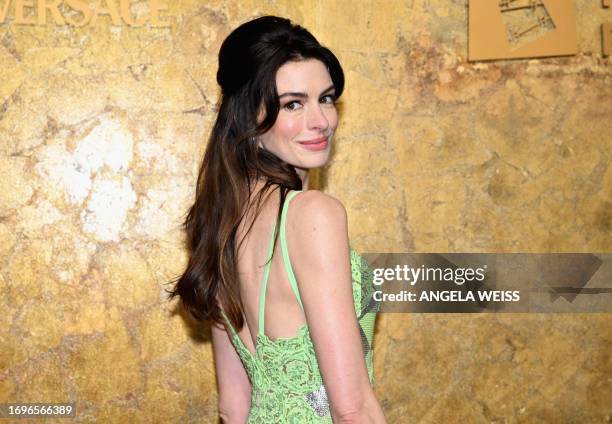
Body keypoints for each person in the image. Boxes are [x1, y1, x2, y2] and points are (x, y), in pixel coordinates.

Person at [169, 15, 385, 423]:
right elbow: (352, 407)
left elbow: (233, 409)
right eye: (293, 104)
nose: (321, 121)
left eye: (326, 98)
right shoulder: (314, 213)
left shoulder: (223, 225)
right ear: (249, 115)